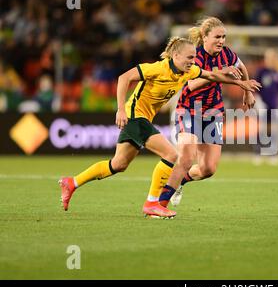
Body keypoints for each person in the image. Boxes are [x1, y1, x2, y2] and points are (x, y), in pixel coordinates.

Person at [58, 36, 260, 218]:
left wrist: (243, 84)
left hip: (142, 119)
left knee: (118, 164)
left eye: (193, 58)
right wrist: (120, 109)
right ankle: (152, 203)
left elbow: (212, 76)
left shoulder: (188, 71)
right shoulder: (157, 68)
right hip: (135, 116)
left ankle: (72, 183)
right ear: (175, 55)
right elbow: (124, 78)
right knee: (172, 155)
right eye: (189, 57)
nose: (192, 61)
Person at [157, 16, 256, 208]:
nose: (221, 41)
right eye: (217, 37)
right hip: (189, 109)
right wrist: (221, 72)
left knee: (208, 169)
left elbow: (241, 67)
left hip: (213, 112)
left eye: (224, 37)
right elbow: (192, 84)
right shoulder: (195, 56)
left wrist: (247, 92)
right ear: (204, 36)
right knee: (186, 157)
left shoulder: (227, 54)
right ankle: (159, 205)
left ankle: (180, 182)